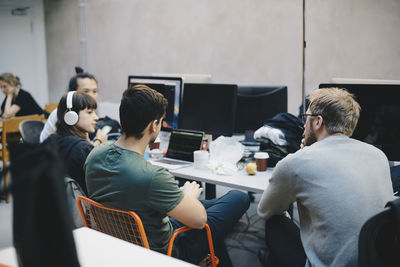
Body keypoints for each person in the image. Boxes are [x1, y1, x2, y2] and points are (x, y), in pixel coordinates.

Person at [85, 84, 250, 266]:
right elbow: (199, 221)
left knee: (212, 206)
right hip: (166, 253)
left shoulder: (94, 156)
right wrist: (189, 197)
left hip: (117, 244)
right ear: (153, 125)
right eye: (161, 121)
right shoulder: (152, 176)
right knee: (238, 198)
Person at [257, 87, 395, 267]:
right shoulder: (378, 155)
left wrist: (300, 157)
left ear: (318, 122)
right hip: (376, 259)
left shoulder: (297, 162)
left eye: (305, 118)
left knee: (274, 223)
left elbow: (265, 210)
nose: (303, 125)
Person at [48, 91, 107, 194]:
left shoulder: (51, 140)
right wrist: (98, 143)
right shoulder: (82, 149)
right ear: (71, 116)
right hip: (84, 207)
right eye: (89, 112)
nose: (96, 118)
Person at [40, 71, 101, 143]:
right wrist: (98, 141)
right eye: (86, 91)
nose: (91, 96)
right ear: (72, 93)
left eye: (94, 91)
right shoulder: (66, 113)